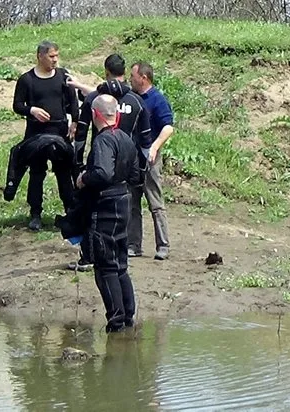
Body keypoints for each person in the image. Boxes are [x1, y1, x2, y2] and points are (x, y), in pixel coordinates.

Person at [65, 54, 152, 271]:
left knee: (91, 207)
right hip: (127, 160)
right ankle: (131, 247)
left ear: (106, 71)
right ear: (125, 72)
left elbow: (81, 136)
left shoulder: (95, 99)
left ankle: (89, 255)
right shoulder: (136, 101)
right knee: (130, 204)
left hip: (101, 159)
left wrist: (78, 166)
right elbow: (145, 140)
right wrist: (142, 170)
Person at [75, 93, 141, 333]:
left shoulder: (103, 141)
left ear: (95, 115)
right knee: (120, 264)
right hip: (124, 201)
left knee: (105, 266)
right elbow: (136, 176)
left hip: (106, 206)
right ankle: (128, 316)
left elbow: (102, 172)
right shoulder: (126, 138)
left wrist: (84, 179)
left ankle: (116, 319)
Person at [12, 40, 79, 231]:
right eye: (51, 56)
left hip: (60, 131)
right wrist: (32, 110)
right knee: (36, 174)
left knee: (64, 173)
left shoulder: (62, 76)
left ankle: (70, 212)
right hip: (36, 134)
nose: (55, 60)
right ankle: (35, 214)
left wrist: (75, 122)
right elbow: (17, 105)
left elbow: (73, 101)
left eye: (57, 56)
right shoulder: (27, 80)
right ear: (40, 56)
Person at [128, 61, 175, 260]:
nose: (130, 79)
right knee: (132, 202)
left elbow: (168, 127)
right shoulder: (130, 98)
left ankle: (162, 245)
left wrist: (154, 147)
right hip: (132, 159)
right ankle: (133, 245)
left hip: (150, 160)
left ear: (143, 78)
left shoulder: (157, 100)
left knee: (155, 203)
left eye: (133, 76)